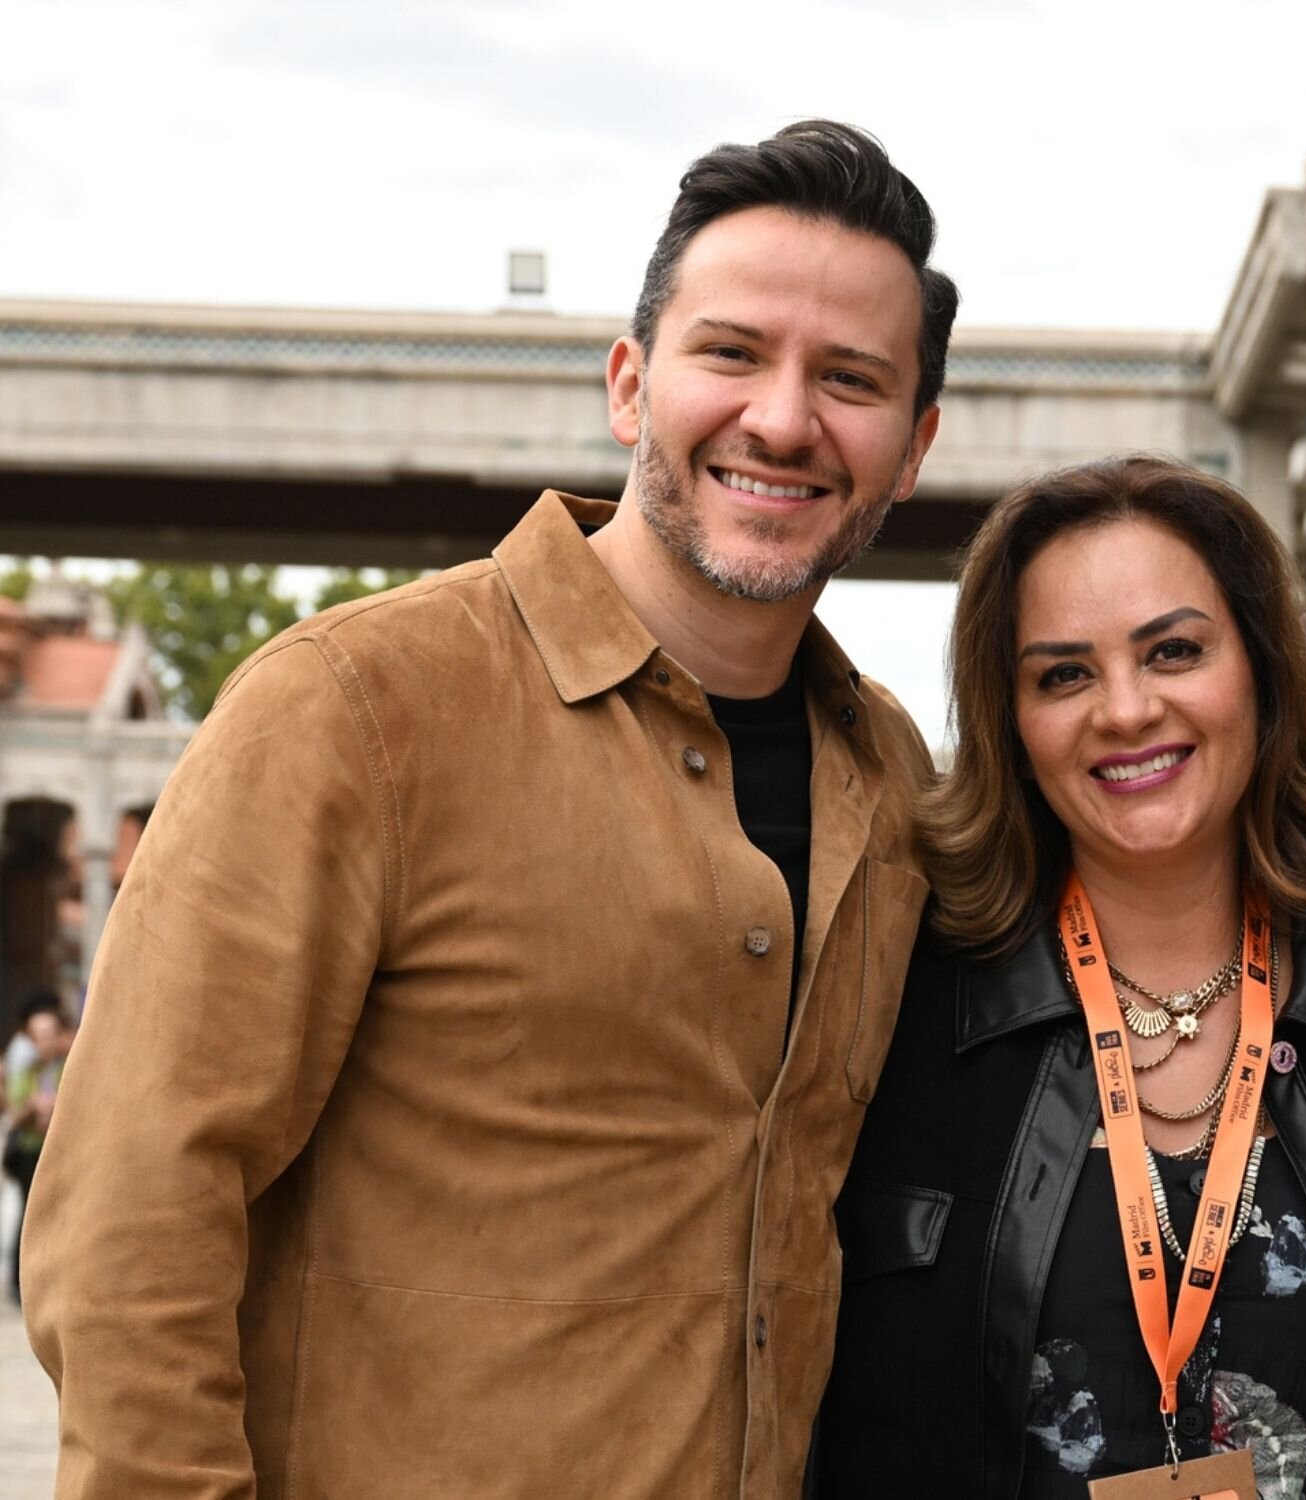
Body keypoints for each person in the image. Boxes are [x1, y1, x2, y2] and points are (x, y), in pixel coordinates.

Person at [25, 120, 952, 1498]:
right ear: (631, 385)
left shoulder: (892, 781)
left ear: (914, 445)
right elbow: (129, 1224)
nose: (782, 418)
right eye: (732, 353)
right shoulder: (352, 710)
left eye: (851, 378)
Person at [815, 456, 1306, 1498]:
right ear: (1011, 724)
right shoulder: (911, 1001)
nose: (1127, 710)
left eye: (1174, 651)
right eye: (1064, 675)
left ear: (1262, 670)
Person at [3, 990, 71, 1303]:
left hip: (58, 1152)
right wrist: (33, 1107)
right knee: (30, 1216)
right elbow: (14, 1113)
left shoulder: (67, 1068)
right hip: (29, 1153)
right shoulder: (25, 1070)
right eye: (39, 1035)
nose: (45, 1041)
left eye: (49, 1034)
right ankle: (20, 1285)